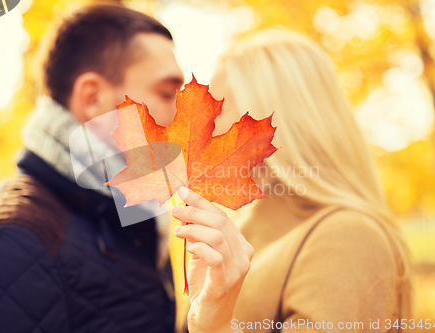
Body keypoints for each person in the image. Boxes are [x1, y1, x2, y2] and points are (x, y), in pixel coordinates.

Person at [0, 4, 194, 332]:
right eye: (168, 92)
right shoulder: (3, 246)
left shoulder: (130, 219)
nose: (182, 115)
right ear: (92, 98)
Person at [171, 29, 412, 332]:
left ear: (277, 124)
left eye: (217, 112)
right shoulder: (237, 228)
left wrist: (216, 326)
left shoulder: (349, 238)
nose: (204, 132)